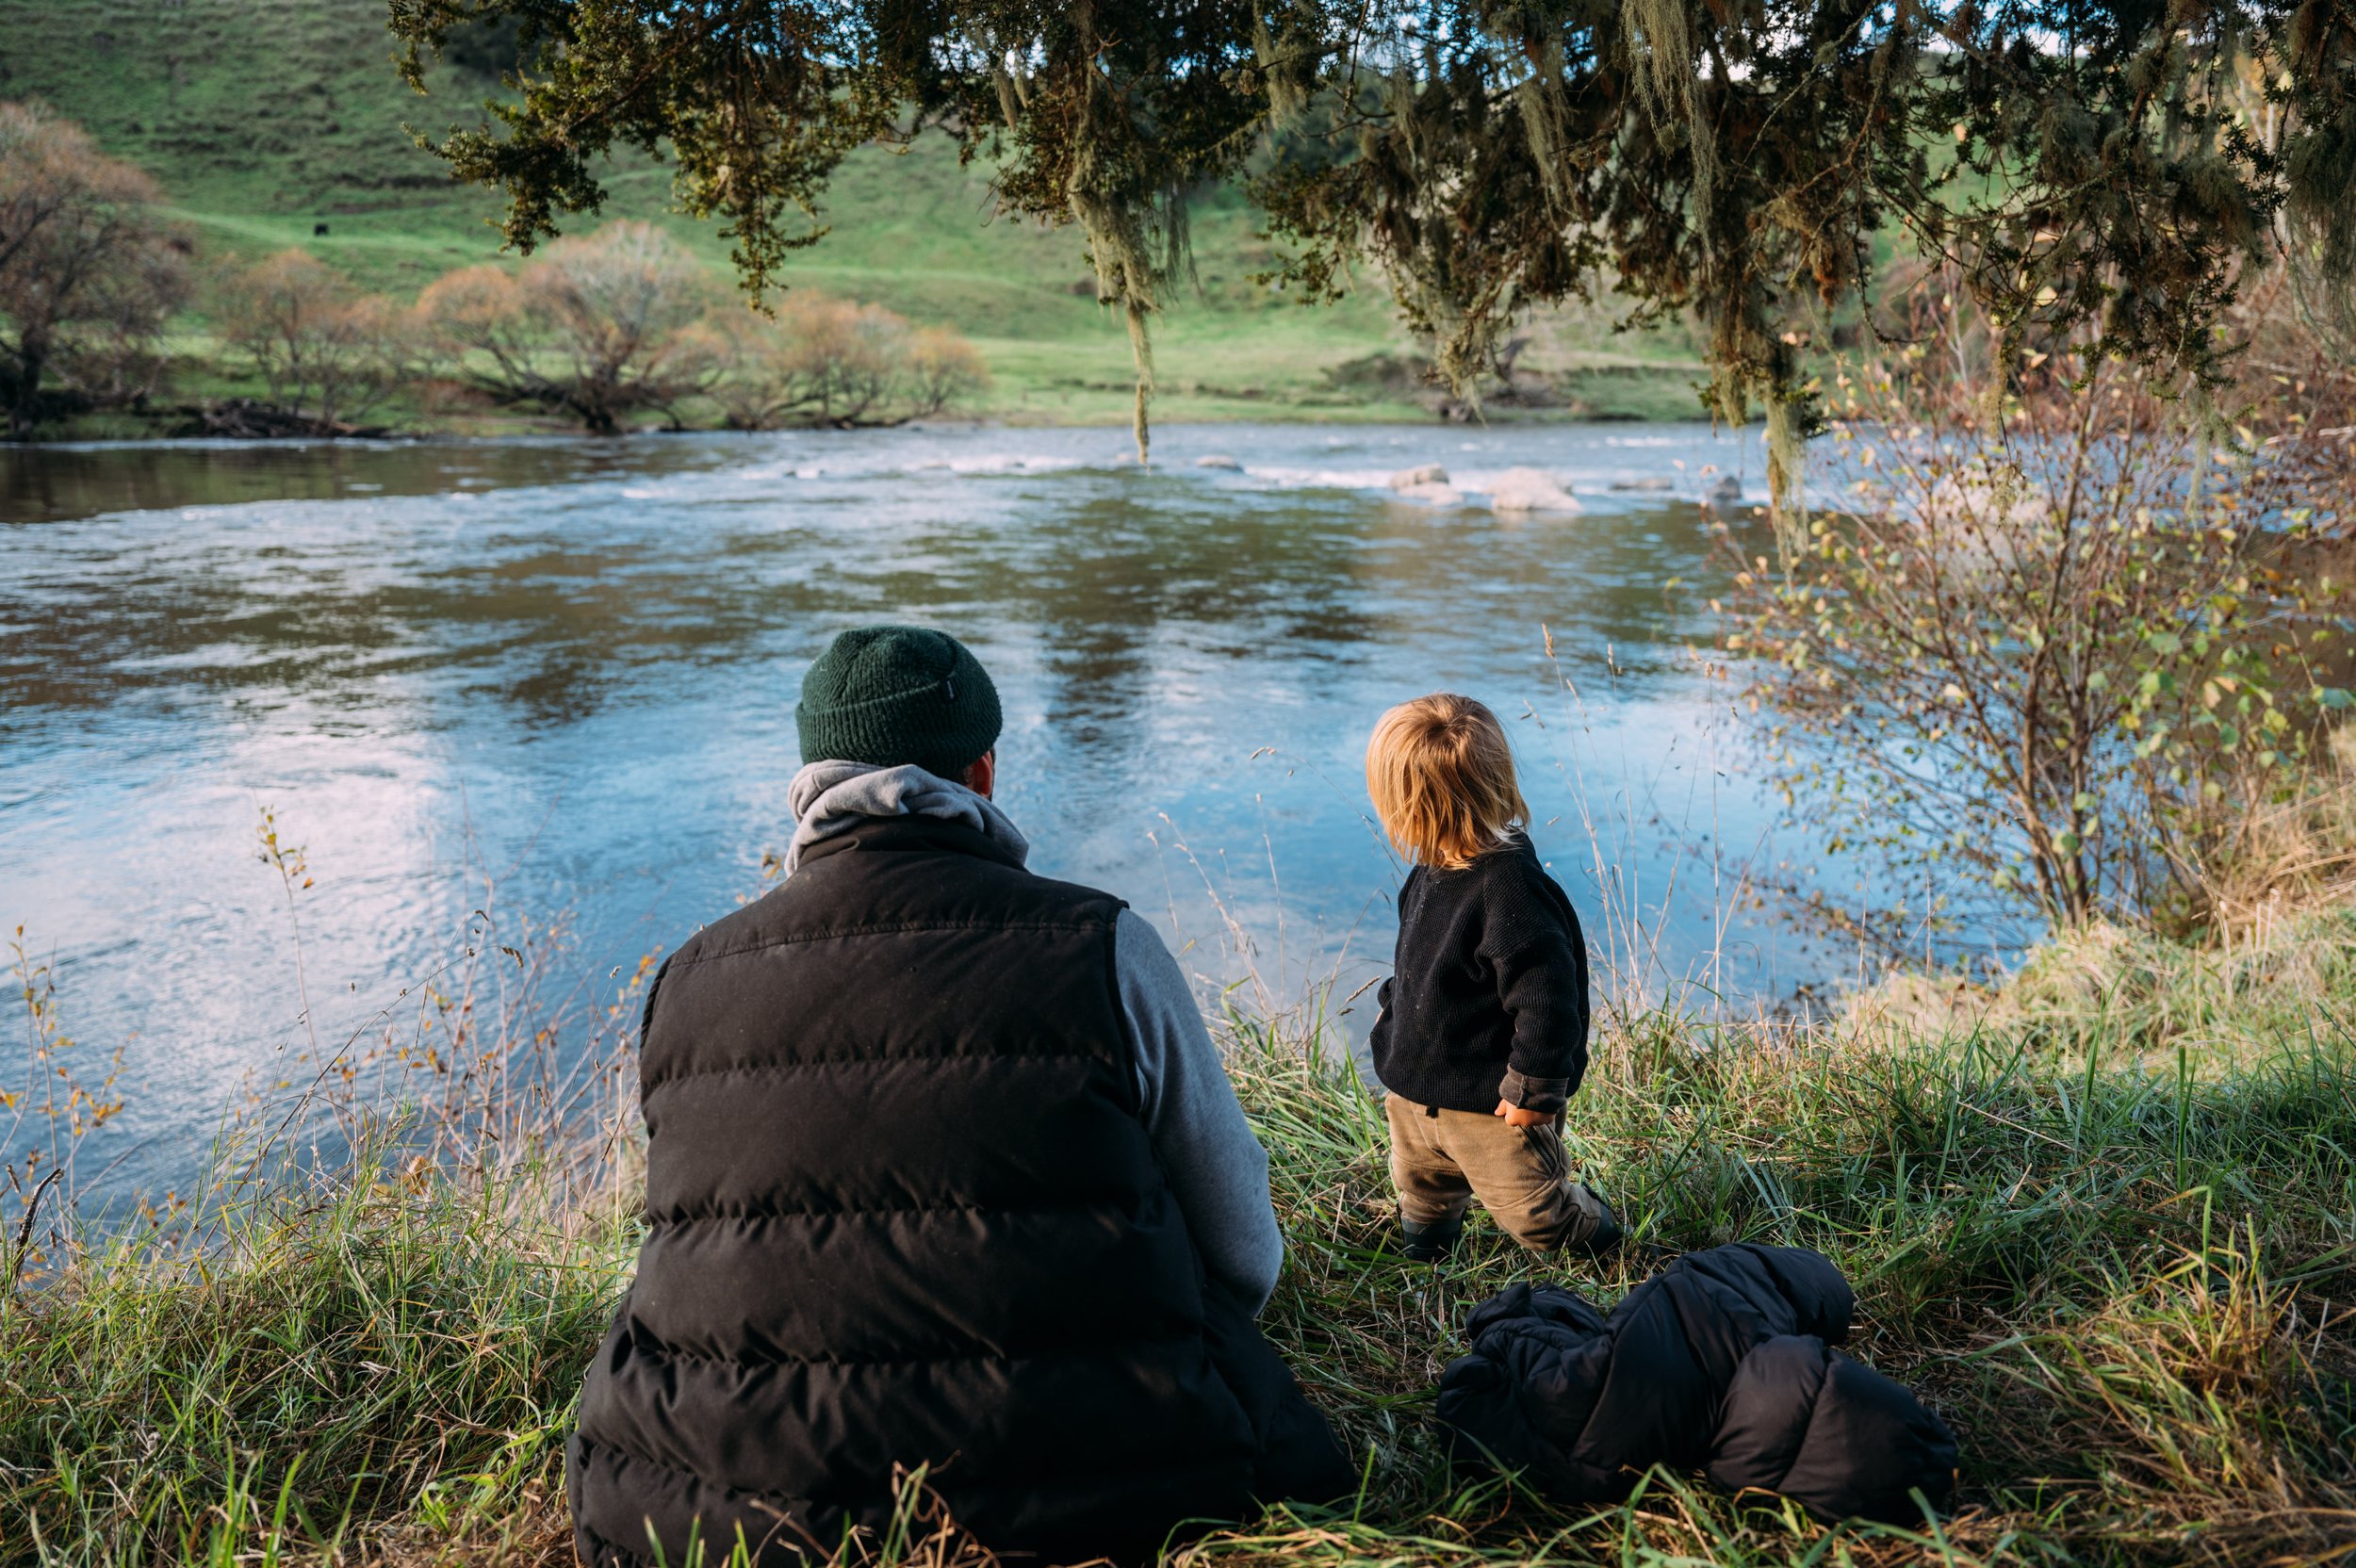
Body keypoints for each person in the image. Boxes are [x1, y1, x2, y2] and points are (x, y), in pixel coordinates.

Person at [566, 625, 1350, 1568]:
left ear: (809, 780)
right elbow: (1240, 1243)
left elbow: (684, 1236)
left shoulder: (687, 975)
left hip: (727, 1501)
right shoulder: (1101, 942)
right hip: (1089, 1474)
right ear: (981, 773)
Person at [1364, 693, 1620, 1263]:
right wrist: (1391, 1010)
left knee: (1536, 1213)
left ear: (1412, 808)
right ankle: (1427, 1258)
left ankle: (1613, 1246)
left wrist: (1533, 1090)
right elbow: (1416, 962)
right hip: (1412, 1094)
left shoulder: (1512, 891)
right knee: (1422, 1189)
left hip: (1490, 1106)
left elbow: (1549, 1002)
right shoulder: (1429, 872)